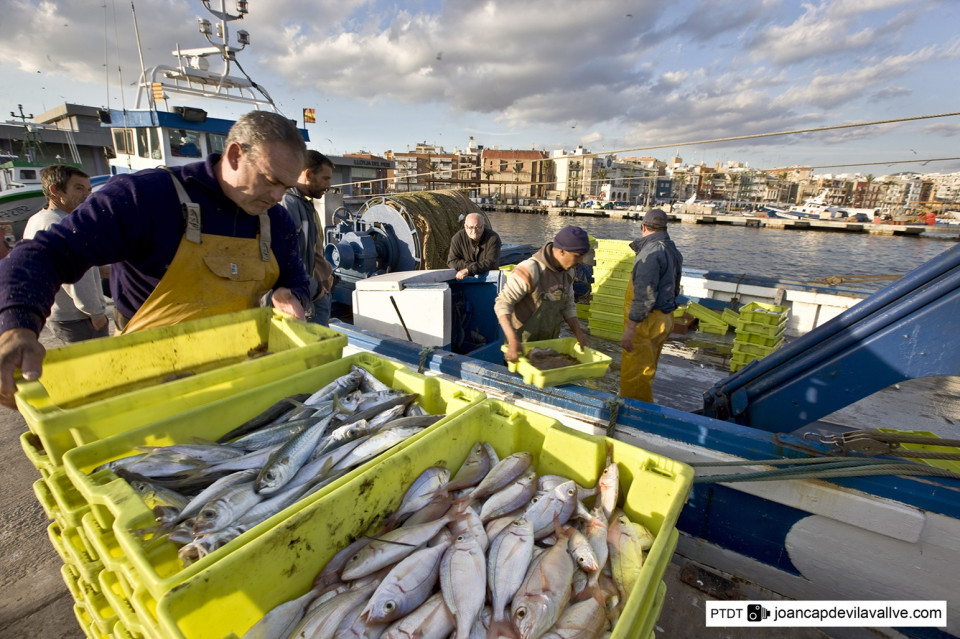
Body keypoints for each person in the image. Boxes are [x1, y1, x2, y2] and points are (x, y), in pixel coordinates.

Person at [0, 110, 310, 409]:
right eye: (270, 180)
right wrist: (18, 326)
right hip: (146, 385)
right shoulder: (146, 197)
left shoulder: (276, 220)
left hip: (236, 378)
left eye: (286, 186)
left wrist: (290, 295)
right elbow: (44, 254)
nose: (278, 196)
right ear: (233, 155)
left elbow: (295, 279)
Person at [22, 165, 108, 343]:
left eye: (88, 189)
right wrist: (96, 313)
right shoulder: (63, 225)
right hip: (79, 318)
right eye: (78, 188)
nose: (86, 195)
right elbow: (75, 278)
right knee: (95, 368)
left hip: (58, 313)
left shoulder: (37, 220)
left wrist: (102, 270)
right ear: (55, 190)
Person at [495, 225, 591, 363]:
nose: (580, 262)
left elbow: (568, 305)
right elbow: (502, 304)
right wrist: (512, 340)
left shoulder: (568, 273)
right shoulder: (530, 269)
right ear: (562, 252)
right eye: (577, 256)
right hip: (521, 348)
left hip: (548, 347)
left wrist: (579, 334)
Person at [620, 208, 683, 403]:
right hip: (663, 319)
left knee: (635, 375)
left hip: (646, 323)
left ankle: (633, 416)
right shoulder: (672, 249)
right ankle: (642, 407)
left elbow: (644, 296)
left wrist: (631, 328)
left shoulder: (651, 252)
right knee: (647, 370)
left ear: (643, 227)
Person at [282, 150, 336, 325]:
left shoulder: (305, 204)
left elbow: (311, 249)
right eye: (325, 178)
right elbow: (287, 258)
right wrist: (315, 289)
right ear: (308, 174)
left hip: (313, 292)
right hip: (308, 297)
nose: (329, 184)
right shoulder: (288, 205)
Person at [447, 212, 501, 280]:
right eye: (471, 227)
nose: (474, 231)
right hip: (464, 280)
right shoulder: (457, 238)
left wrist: (468, 270)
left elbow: (491, 262)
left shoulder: (493, 238)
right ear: (465, 226)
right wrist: (470, 268)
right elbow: (452, 261)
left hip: (489, 279)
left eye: (478, 227)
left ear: (483, 226)